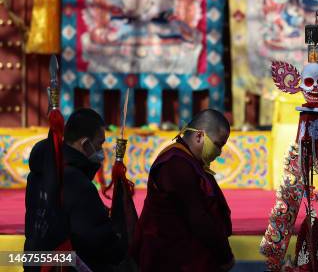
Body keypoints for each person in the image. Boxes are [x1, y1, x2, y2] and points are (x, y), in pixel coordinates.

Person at [24, 107, 128, 271]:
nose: (101, 151)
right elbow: (95, 238)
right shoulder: (75, 181)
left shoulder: (38, 173)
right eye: (99, 144)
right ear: (85, 144)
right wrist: (120, 245)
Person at [131, 109, 234, 271]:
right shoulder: (176, 164)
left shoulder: (190, 161)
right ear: (200, 136)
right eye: (218, 145)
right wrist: (224, 256)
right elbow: (198, 217)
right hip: (172, 259)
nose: (219, 153)